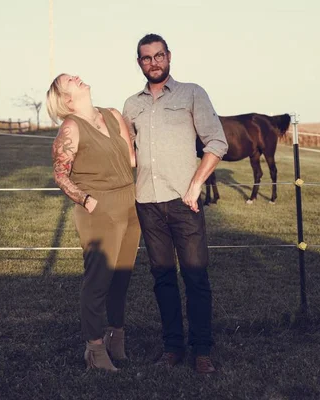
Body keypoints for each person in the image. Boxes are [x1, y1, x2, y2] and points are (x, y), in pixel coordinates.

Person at [122, 34, 228, 374]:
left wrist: (196, 186)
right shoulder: (131, 105)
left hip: (185, 203)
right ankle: (172, 348)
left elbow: (217, 142)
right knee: (163, 278)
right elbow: (129, 155)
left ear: (169, 57)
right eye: (146, 58)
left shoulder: (192, 93)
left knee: (196, 277)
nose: (153, 62)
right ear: (139, 63)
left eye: (158, 56)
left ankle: (202, 351)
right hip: (147, 204)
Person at [47, 73, 140, 372]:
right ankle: (95, 350)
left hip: (129, 202)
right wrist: (86, 199)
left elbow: (132, 160)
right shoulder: (71, 128)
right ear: (66, 99)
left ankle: (116, 339)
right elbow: (60, 174)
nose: (77, 77)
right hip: (98, 207)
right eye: (69, 80)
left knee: (122, 277)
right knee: (98, 280)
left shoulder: (112, 114)